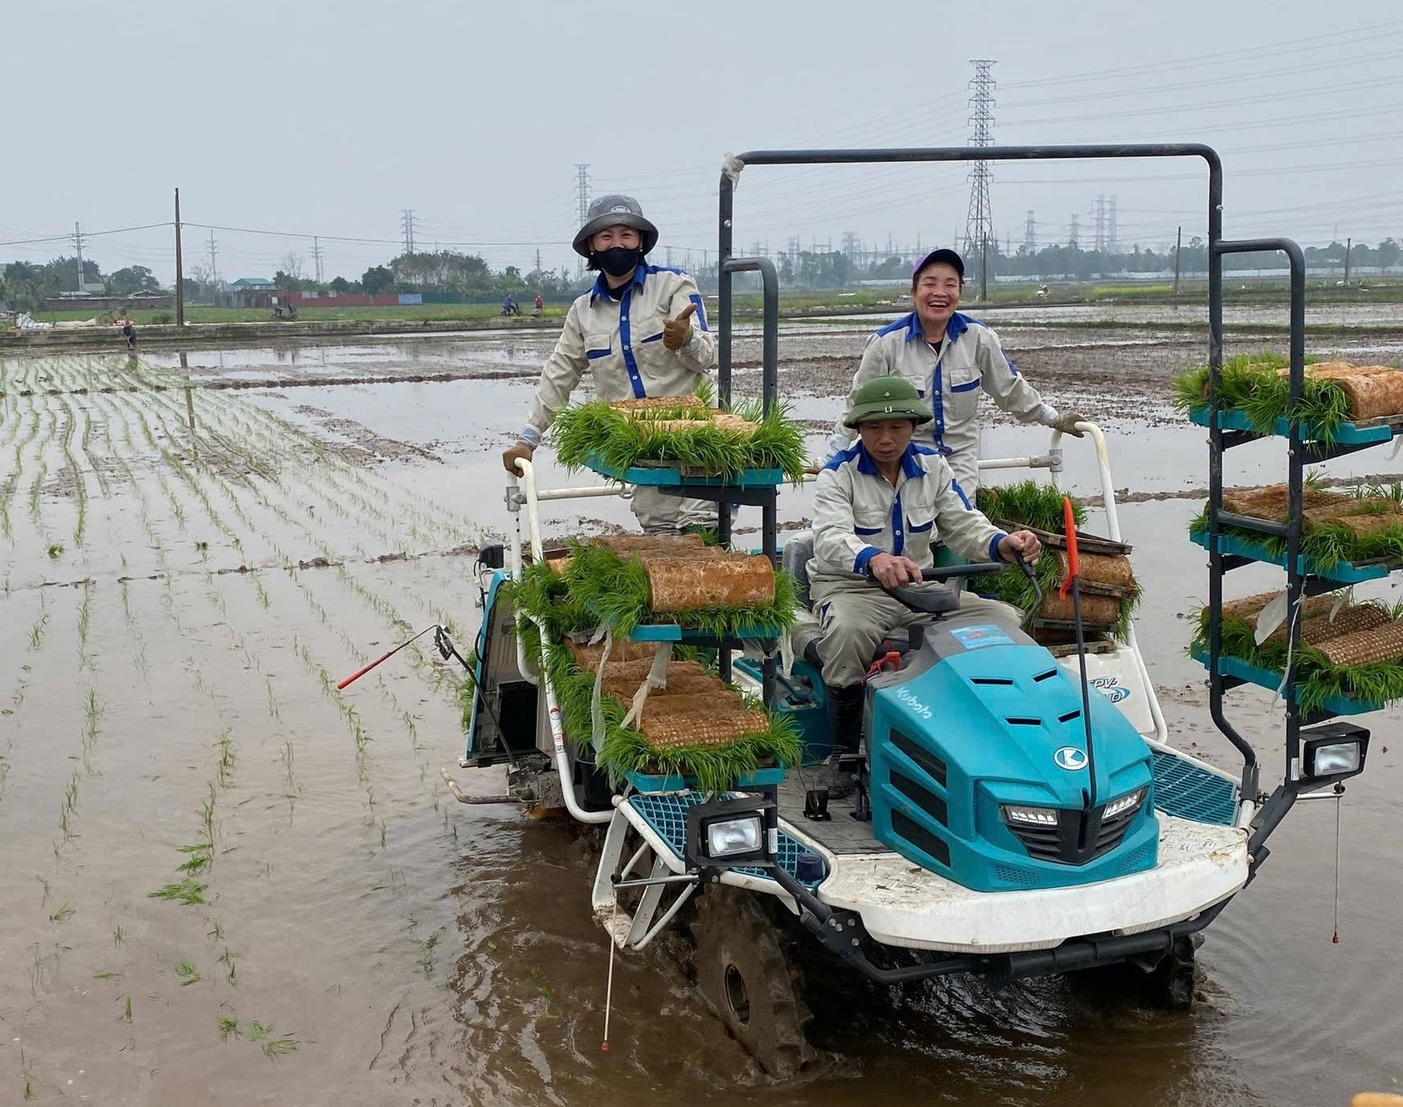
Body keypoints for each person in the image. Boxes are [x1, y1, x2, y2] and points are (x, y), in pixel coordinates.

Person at [808, 376, 1042, 756]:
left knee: (1004, 620)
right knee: (848, 634)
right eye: (875, 428)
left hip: (921, 590)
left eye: (897, 427)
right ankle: (844, 754)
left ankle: (995, 734)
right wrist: (873, 559)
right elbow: (830, 537)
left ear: (914, 427)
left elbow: (963, 523)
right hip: (854, 590)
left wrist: (1002, 543)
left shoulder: (934, 467)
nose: (886, 439)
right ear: (859, 429)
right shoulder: (837, 473)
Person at [500, 194, 718, 533]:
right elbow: (560, 373)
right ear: (592, 245)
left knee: (702, 528)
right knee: (660, 533)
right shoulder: (583, 311)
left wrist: (686, 339)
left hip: (699, 437)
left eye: (626, 235)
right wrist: (527, 441)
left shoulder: (673, 286)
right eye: (606, 236)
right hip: (642, 446)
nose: (617, 244)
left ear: (641, 241)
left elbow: (707, 355)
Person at [828, 247, 1086, 495]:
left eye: (950, 284)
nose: (940, 293)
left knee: (962, 520)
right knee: (911, 522)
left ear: (959, 293)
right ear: (914, 293)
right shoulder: (886, 343)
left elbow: (1008, 388)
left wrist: (1054, 419)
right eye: (930, 283)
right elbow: (858, 402)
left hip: (960, 460)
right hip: (905, 459)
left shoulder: (979, 338)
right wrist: (834, 454)